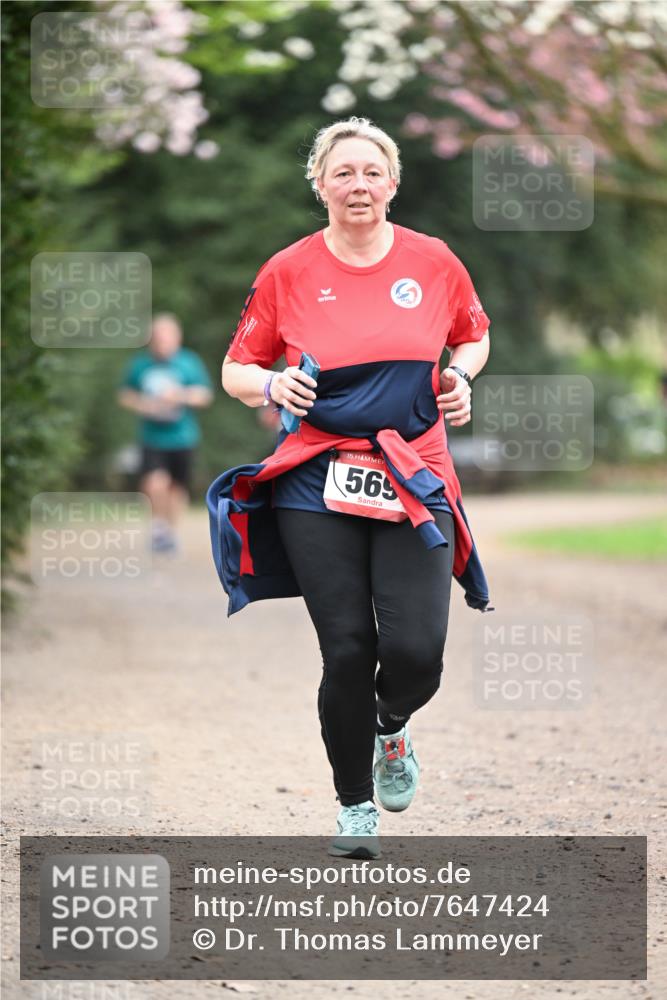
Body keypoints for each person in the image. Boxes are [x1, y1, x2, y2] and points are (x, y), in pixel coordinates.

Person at [208, 117, 491, 859]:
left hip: (412, 471)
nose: (358, 184)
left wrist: (458, 375)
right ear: (320, 184)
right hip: (314, 477)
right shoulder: (288, 270)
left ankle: (389, 729)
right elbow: (236, 369)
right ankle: (353, 806)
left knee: (416, 650)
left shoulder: (433, 262)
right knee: (345, 648)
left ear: (392, 183)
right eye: (343, 173)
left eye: (371, 171)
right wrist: (269, 383)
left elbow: (472, 332)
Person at [118, 313, 212, 552]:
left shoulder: (189, 362)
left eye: (167, 337)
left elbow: (205, 396)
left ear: (177, 338)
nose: (162, 343)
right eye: (158, 338)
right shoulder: (141, 364)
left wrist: (179, 395)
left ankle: (170, 533)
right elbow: (124, 394)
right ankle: (158, 526)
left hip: (183, 436)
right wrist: (142, 404)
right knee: (155, 483)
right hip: (152, 436)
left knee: (177, 488)